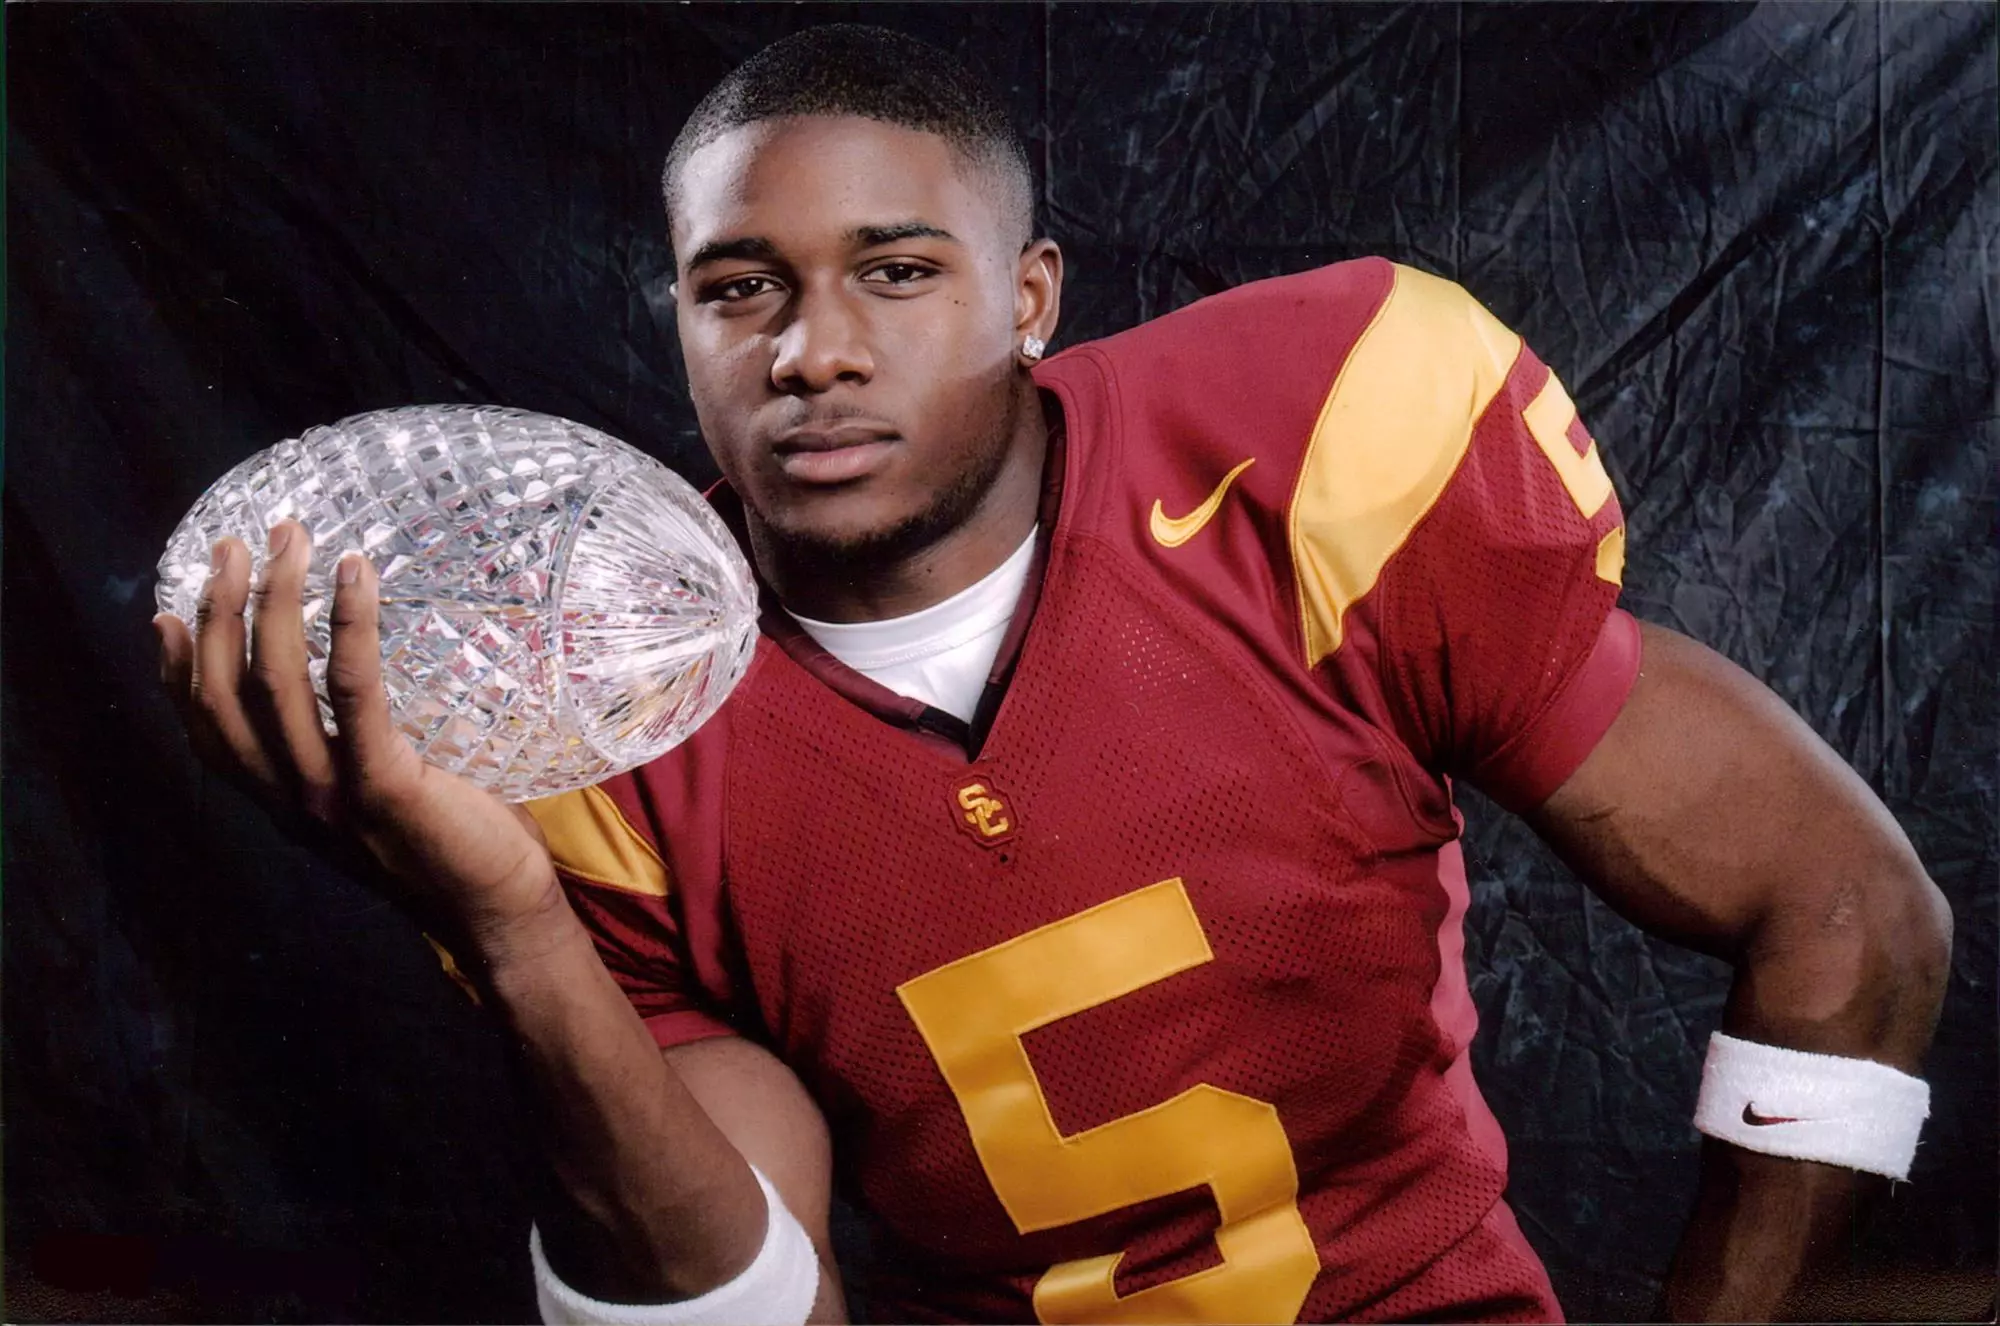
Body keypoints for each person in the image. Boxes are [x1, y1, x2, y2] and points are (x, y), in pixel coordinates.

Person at [155, 23, 1952, 1325]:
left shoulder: (1308, 454)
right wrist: (512, 924)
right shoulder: (596, 727)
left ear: (1029, 299)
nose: (812, 352)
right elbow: (737, 1317)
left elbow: (1850, 909)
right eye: (741, 290)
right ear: (682, 326)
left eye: (895, 271)